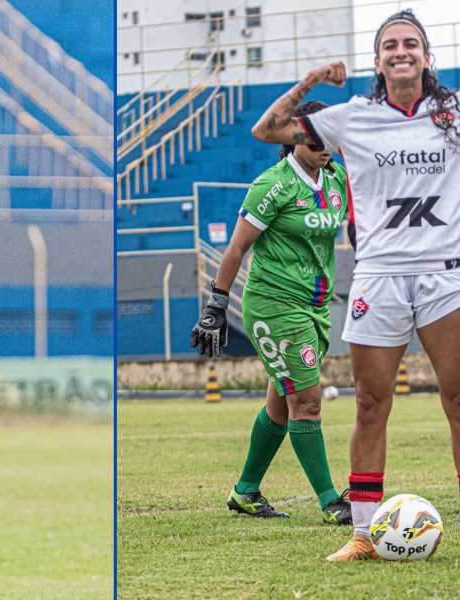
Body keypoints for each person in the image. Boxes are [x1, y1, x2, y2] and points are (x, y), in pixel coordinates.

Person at [249, 9, 460, 562]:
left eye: (411, 43)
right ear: (377, 60)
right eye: (390, 44)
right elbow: (268, 129)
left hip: (446, 278)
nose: (401, 51)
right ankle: (364, 535)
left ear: (426, 55)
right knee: (370, 405)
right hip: (377, 278)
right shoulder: (353, 117)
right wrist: (316, 79)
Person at [189, 101, 352, 525]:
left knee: (281, 406)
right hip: (274, 305)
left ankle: (244, 492)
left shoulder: (336, 178)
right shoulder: (273, 185)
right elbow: (237, 248)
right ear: (294, 137)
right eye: (316, 138)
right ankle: (332, 502)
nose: (325, 147)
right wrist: (217, 304)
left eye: (330, 138)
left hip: (313, 306)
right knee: (307, 401)